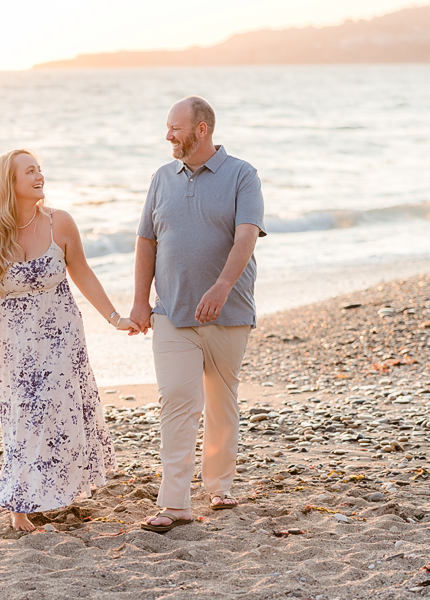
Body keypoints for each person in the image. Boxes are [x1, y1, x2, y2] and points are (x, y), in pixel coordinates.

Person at [0, 149, 129, 532]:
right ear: (10, 183)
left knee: (56, 412)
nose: (40, 176)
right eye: (30, 172)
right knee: (21, 419)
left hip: (59, 337)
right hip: (10, 344)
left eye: (40, 169)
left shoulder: (60, 223)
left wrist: (115, 317)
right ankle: (20, 506)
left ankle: (55, 490)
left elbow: (83, 274)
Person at [129, 96, 266, 533]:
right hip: (171, 310)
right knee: (177, 400)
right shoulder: (161, 179)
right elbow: (146, 242)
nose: (168, 135)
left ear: (201, 129)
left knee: (221, 401)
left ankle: (219, 484)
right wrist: (139, 300)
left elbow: (246, 235)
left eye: (175, 127)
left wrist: (222, 287)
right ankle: (174, 502)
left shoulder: (242, 175)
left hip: (229, 312)